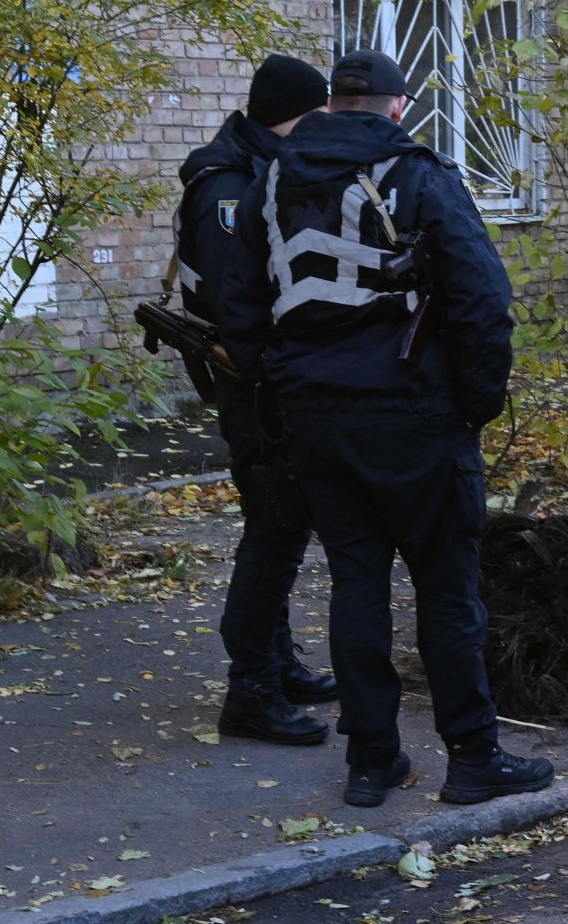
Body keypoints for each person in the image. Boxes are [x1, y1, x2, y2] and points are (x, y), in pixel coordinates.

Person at [215, 49, 554, 808]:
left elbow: (235, 305)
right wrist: (475, 402)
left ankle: (372, 763)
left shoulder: (271, 179)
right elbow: (481, 300)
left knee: (355, 585)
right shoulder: (420, 175)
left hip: (316, 422)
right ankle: (473, 758)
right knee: (445, 591)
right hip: (416, 416)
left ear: (332, 105)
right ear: (400, 107)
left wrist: (285, 376)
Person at [175, 54, 336, 746]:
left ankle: (277, 663)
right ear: (295, 114)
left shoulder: (258, 168)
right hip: (255, 387)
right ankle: (251, 691)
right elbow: (240, 309)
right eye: (321, 114)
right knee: (272, 532)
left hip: (268, 382)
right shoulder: (227, 189)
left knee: (283, 526)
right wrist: (283, 374)